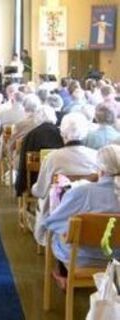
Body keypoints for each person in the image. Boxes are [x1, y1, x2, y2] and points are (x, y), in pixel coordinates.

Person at [43, 144, 120, 281]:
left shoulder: (82, 192)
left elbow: (52, 222)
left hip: (83, 259)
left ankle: (62, 275)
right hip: (117, 258)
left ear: (99, 169)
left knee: (57, 234)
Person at [31, 113, 99, 245]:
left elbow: (41, 191)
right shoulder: (95, 156)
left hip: (57, 212)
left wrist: (33, 188)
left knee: (44, 198)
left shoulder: (53, 157)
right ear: (84, 134)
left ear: (62, 134)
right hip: (88, 213)